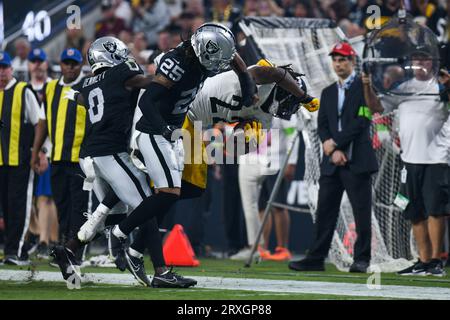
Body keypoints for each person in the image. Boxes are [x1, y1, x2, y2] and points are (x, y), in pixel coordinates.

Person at [91, 23, 256, 277]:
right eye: (215, 59)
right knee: (168, 193)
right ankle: (120, 232)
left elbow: (235, 60)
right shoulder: (176, 63)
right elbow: (147, 101)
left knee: (176, 192)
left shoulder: (208, 48)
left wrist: (246, 85)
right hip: (153, 131)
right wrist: (165, 130)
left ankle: (137, 252)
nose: (219, 64)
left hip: (173, 131)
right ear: (203, 51)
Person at [51, 36, 196, 288]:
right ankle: (160, 270)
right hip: (111, 153)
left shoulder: (86, 83)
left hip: (90, 157)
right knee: (147, 205)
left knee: (113, 212)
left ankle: (70, 247)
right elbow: (149, 82)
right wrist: (169, 78)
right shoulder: (123, 73)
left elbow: (83, 99)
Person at [289, 42, 378, 273]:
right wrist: (330, 147)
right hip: (332, 162)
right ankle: (315, 258)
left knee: (361, 213)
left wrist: (336, 144)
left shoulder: (364, 87)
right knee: (325, 212)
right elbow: (323, 124)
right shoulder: (328, 92)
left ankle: (362, 259)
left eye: (343, 60)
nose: (338, 64)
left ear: (353, 62)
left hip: (357, 160)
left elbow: (363, 120)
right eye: (336, 60)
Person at [363, 50, 450, 276]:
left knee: (435, 210)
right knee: (413, 211)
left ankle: (436, 261)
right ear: (411, 63)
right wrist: (366, 85)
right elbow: (376, 108)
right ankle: (423, 259)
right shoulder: (403, 88)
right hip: (408, 159)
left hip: (436, 159)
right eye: (417, 59)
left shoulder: (441, 86)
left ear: (433, 62)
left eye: (425, 58)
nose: (421, 62)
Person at [30, 48, 89, 253]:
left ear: (81, 65)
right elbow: (43, 122)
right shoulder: (51, 88)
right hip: (57, 157)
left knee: (78, 207)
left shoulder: (87, 86)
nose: (70, 67)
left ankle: (76, 250)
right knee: (62, 205)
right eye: (66, 63)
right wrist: (37, 151)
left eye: (73, 63)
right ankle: (65, 247)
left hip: (81, 159)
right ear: (60, 65)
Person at [0, 51, 42, 265]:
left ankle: (15, 251)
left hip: (19, 160)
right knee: (5, 207)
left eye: (4, 67)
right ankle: (12, 248)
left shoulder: (23, 91)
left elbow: (38, 123)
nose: (1, 72)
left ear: (11, 69)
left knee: (18, 206)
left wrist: (39, 152)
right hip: (1, 161)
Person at [27, 48, 58, 259]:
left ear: (46, 63)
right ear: (29, 64)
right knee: (28, 199)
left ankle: (46, 240)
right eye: (34, 61)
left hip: (47, 149)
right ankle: (35, 236)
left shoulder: (52, 88)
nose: (37, 64)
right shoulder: (23, 89)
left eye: (41, 60)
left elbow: (47, 123)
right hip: (22, 149)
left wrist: (43, 151)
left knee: (46, 197)